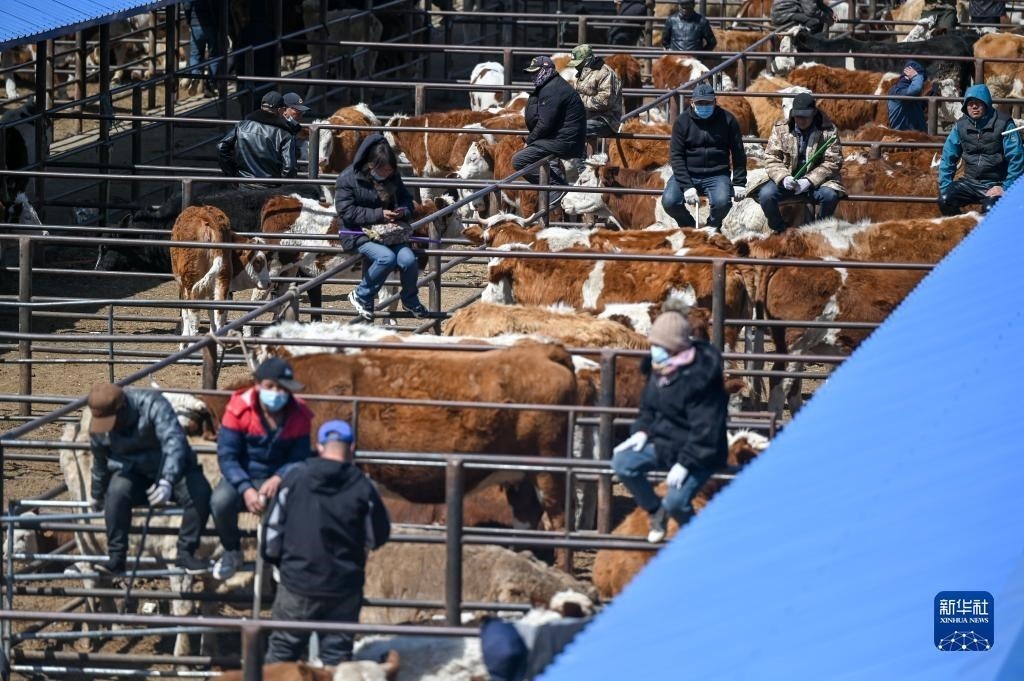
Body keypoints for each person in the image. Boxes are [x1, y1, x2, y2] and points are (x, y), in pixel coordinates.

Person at [262, 419, 391, 665]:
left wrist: (279, 563)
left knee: (282, 652)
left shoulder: (295, 478)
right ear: (352, 447)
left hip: (297, 582)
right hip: (342, 586)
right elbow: (377, 536)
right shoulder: (363, 487)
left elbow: (272, 532)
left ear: (319, 446)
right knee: (336, 658)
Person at [611, 308, 728, 543]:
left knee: (676, 501)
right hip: (664, 444)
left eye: (659, 345)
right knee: (622, 463)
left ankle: (694, 539)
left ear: (676, 347)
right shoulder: (659, 371)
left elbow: (706, 429)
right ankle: (656, 511)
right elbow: (648, 409)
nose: (654, 350)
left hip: (701, 453)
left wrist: (686, 463)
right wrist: (641, 431)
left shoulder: (702, 378)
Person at [86, 383, 212, 574]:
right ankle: (117, 557)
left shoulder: (152, 404)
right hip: (132, 471)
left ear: (123, 408)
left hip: (170, 467)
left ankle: (185, 553)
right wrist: (97, 493)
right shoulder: (100, 425)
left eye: (112, 421)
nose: (109, 428)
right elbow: (100, 460)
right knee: (116, 495)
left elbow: (173, 441)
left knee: (200, 494)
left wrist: (167, 480)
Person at [210, 357, 313, 581]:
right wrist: (245, 488)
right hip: (243, 473)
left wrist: (279, 477)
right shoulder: (238, 409)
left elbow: (300, 456)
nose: (277, 393)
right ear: (257, 385)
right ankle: (231, 549)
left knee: (289, 505)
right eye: (270, 386)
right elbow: (227, 457)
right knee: (220, 502)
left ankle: (277, 556)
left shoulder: (299, 413)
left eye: (282, 388)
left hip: (280, 474)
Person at [335, 133, 429, 321]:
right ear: (371, 164)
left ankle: (409, 299)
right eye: (383, 169)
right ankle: (361, 294)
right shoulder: (347, 178)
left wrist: (402, 211)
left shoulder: (393, 176)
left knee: (409, 260)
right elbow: (346, 211)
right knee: (386, 258)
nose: (386, 173)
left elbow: (406, 199)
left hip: (389, 232)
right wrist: (379, 214)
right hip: (357, 232)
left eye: (390, 170)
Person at [755, 92, 845, 233]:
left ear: (814, 113)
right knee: (766, 195)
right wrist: (784, 178)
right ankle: (781, 230)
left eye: (805, 116)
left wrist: (809, 181)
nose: (801, 120)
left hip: (817, 183)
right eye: (798, 116)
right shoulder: (780, 128)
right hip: (788, 179)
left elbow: (833, 161)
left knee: (830, 196)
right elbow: (772, 157)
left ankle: (818, 231)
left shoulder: (829, 131)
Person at [661, 83, 747, 231]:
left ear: (715, 102)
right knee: (669, 202)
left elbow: (738, 152)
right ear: (692, 103)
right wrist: (687, 186)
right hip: (688, 172)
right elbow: (676, 156)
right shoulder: (682, 122)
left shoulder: (728, 120)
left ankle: (711, 227)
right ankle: (690, 229)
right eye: (699, 103)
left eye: (707, 103)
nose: (704, 106)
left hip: (717, 174)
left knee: (722, 203)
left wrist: (739, 182)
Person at [938, 84, 1024, 216]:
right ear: (965, 106)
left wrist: (1006, 187)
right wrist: (945, 187)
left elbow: (1016, 158)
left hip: (996, 183)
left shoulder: (1004, 124)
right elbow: (948, 157)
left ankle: (988, 229)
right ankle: (964, 226)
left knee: (990, 209)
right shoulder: (960, 126)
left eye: (978, 103)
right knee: (945, 200)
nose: (974, 106)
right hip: (969, 182)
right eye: (970, 103)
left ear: (987, 104)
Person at [513, 56, 587, 204]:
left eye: (536, 72)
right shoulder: (553, 85)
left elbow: (545, 123)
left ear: (546, 70)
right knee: (539, 159)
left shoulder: (552, 90)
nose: (533, 77)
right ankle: (557, 187)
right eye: (531, 73)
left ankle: (556, 188)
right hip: (564, 138)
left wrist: (529, 141)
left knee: (519, 160)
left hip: (564, 141)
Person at [217, 91, 300, 190]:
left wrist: (232, 174)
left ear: (261, 106)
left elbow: (221, 147)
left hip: (244, 185)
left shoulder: (242, 126)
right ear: (280, 110)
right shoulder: (285, 135)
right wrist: (282, 188)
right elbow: (290, 167)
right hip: (270, 189)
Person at [568, 44, 623, 142]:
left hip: (606, 120)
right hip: (587, 118)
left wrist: (578, 100)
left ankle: (577, 153)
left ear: (587, 60)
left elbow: (605, 101)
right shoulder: (583, 73)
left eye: (579, 63)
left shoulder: (605, 73)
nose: (576, 66)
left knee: (576, 129)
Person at [182, 0, 224, 97]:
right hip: (212, 24)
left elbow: (187, 5)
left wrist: (189, 20)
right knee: (214, 56)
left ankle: (195, 75)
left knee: (195, 55)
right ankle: (210, 86)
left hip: (195, 24)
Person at [887, 60, 927, 132]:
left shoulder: (910, 93)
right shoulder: (897, 91)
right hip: (903, 136)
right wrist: (916, 76)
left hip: (915, 135)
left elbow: (918, 108)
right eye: (921, 80)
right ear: (908, 77)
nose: (922, 83)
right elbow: (916, 88)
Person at [770, 0, 835, 34]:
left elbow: (818, 3)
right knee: (815, 23)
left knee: (818, 22)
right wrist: (826, 17)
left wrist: (830, 12)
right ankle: (803, 49)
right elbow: (811, 11)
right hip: (783, 12)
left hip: (792, 10)